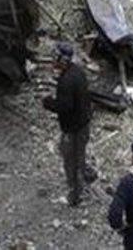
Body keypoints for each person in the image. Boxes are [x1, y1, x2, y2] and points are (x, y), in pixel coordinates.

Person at [42, 42, 93, 207]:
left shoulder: (65, 81)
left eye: (55, 57)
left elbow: (64, 107)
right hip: (83, 124)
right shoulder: (78, 71)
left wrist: (48, 102)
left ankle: (75, 197)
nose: (52, 60)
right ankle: (85, 175)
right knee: (80, 156)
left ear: (61, 60)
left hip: (73, 129)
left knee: (70, 161)